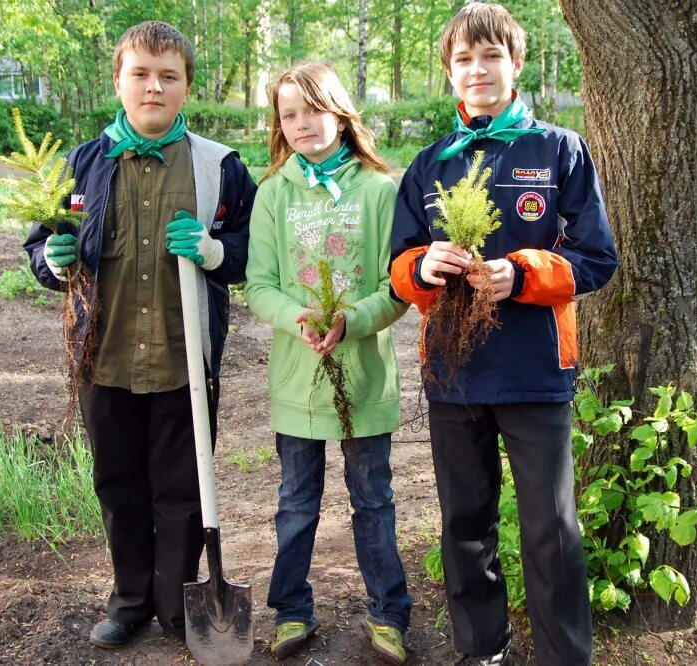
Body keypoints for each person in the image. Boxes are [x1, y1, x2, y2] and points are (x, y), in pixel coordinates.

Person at [389, 4, 618, 665]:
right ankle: (481, 649)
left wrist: (520, 275)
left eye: (490, 56)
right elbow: (400, 267)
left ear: (516, 65)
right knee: (464, 524)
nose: (477, 69)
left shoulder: (559, 150)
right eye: (463, 59)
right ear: (450, 74)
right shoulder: (430, 164)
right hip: (454, 373)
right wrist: (424, 269)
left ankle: (563, 655)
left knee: (551, 529)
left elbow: (596, 258)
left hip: (536, 371)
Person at [23, 20, 256, 649]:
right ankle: (129, 600)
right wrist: (52, 259)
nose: (154, 87)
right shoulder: (84, 164)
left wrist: (213, 251)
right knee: (119, 484)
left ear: (186, 88)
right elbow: (41, 244)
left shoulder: (219, 168)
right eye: (141, 74)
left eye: (168, 77)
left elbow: (253, 252)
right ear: (119, 81)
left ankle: (178, 605)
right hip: (105, 359)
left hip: (185, 364)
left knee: (182, 489)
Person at [244, 62, 412, 664]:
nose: (300, 124)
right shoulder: (272, 194)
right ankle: (291, 609)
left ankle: (389, 613)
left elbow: (400, 286)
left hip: (365, 378)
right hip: (298, 381)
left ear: (340, 112)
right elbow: (258, 283)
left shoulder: (380, 191)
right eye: (288, 115)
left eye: (312, 110)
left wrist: (351, 321)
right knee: (295, 501)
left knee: (373, 498)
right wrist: (297, 319)